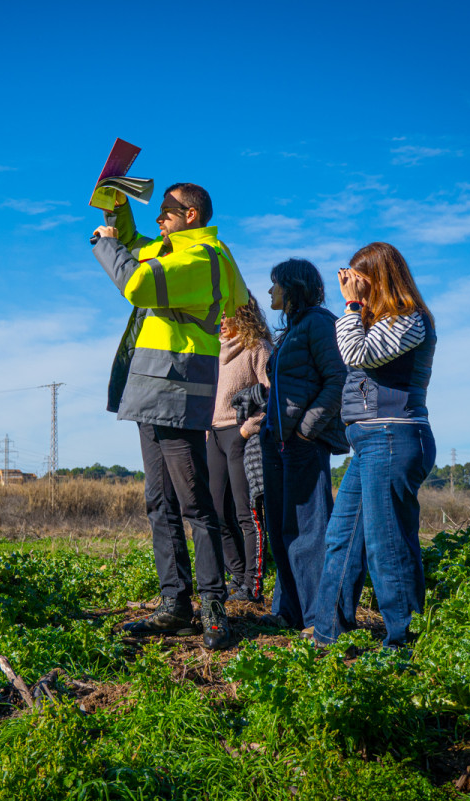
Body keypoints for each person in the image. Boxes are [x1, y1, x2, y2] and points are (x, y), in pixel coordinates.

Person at [92, 183, 249, 651]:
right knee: (159, 502)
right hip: (152, 391)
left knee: (194, 503)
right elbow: (136, 243)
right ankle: (175, 605)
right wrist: (117, 207)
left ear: (191, 214)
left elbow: (137, 282)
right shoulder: (173, 251)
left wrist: (105, 246)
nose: (159, 219)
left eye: (166, 211)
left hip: (177, 393)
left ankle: (213, 606)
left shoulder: (203, 258)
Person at [311, 242, 436, 649]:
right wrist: (356, 310)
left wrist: (350, 306)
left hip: (394, 436)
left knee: (387, 542)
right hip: (370, 440)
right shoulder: (377, 321)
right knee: (342, 536)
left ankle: (404, 641)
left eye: (361, 279)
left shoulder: (409, 319)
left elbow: (355, 353)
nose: (354, 286)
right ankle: (329, 634)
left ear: (380, 278)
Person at [233, 259, 348, 629]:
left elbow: (337, 380)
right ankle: (288, 612)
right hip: (277, 442)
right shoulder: (291, 330)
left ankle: (318, 619)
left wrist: (306, 431)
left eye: (276, 284)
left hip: (303, 444)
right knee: (284, 530)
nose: (270, 291)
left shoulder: (319, 323)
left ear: (294, 286)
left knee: (310, 533)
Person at [208, 294, 272, 603]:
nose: (220, 320)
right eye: (218, 315)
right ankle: (236, 576)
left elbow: (273, 393)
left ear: (243, 314)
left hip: (242, 435)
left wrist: (248, 428)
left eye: (226, 315)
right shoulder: (212, 349)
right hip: (213, 435)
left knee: (247, 513)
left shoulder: (258, 347)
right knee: (216, 511)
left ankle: (252, 586)